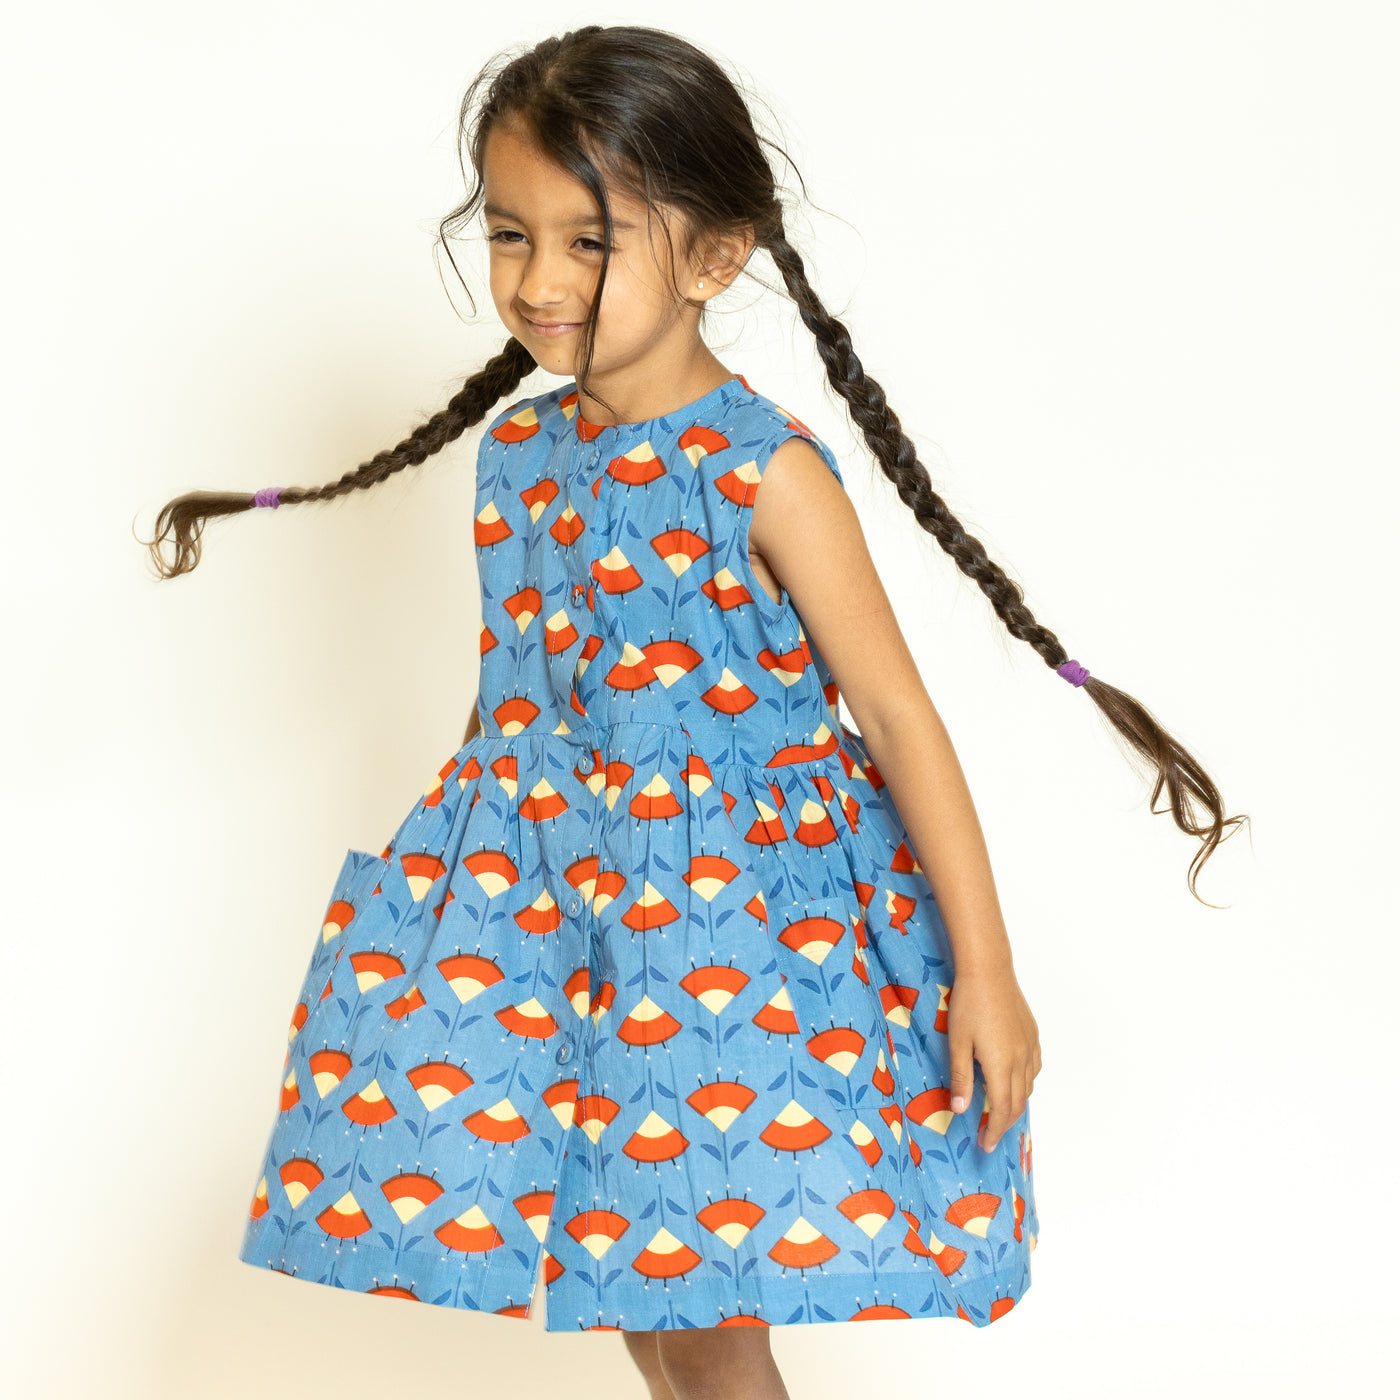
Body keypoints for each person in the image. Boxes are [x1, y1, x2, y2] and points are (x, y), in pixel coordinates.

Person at [141, 22, 1247, 1396]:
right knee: (633, 1293)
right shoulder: (517, 454)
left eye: (590, 241)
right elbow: (523, 703)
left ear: (717, 256)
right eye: (509, 234)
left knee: (706, 1315)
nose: (539, 280)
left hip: (732, 935)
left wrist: (989, 971)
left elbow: (897, 715)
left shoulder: (762, 472)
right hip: (559, 923)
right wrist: (451, 910)